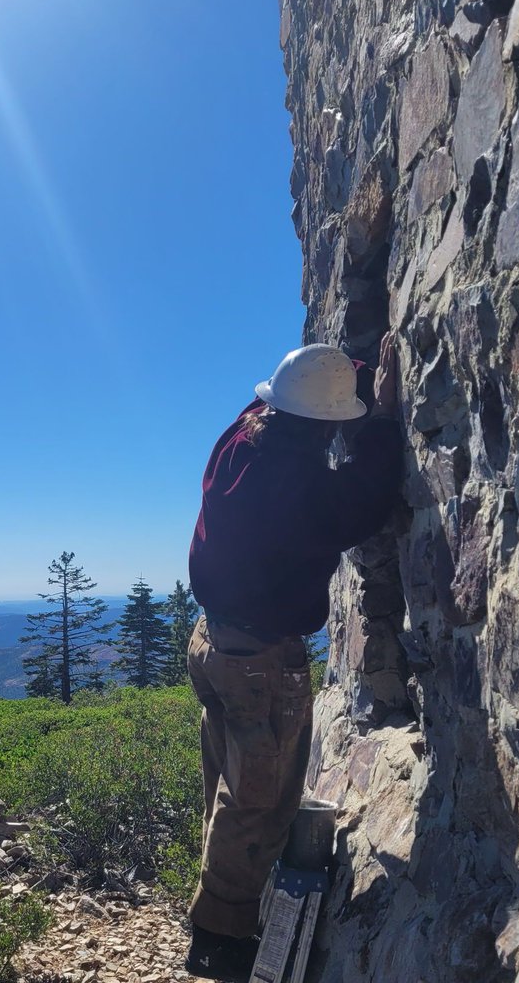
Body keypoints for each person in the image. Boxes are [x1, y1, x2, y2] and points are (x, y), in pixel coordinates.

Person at [184, 334, 402, 981]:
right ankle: (219, 943)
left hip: (214, 644)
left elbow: (306, 393)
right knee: (259, 800)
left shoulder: (243, 434)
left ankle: (216, 909)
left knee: (227, 785)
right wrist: (383, 418)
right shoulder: (303, 489)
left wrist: (350, 374)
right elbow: (365, 497)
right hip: (259, 662)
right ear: (323, 424)